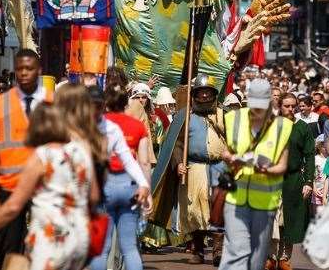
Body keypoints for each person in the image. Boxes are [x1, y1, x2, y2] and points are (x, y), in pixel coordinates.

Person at [0, 102, 97, 270]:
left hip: (51, 236)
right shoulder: (81, 152)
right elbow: (94, 195)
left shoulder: (43, 156)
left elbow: (14, 205)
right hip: (80, 235)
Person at [151, 74, 227, 265]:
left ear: (214, 94)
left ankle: (218, 250)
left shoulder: (223, 115)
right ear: (195, 95)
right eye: (200, 93)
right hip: (195, 168)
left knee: (219, 210)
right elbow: (176, 144)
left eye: (208, 93)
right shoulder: (185, 116)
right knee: (194, 211)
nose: (204, 97)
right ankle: (198, 250)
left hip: (220, 167)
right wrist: (178, 163)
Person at [0, 49, 53, 264]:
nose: (24, 73)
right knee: (10, 248)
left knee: (44, 246)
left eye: (29, 69)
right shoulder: (0, 104)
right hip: (9, 186)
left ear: (38, 71)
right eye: (20, 69)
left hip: (45, 187)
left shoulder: (52, 102)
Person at [219, 78, 292, 270]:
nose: (257, 110)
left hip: (265, 201)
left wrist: (267, 169)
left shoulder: (282, 127)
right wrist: (232, 158)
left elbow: (283, 166)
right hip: (236, 198)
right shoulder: (234, 120)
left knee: (257, 257)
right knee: (237, 250)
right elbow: (225, 151)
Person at [90, 88, 153, 270]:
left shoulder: (99, 124)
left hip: (105, 183)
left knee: (102, 247)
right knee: (129, 247)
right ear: (126, 105)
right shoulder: (137, 126)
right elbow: (144, 161)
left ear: (106, 105)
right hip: (129, 185)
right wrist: (146, 189)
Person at [269, 92, 314, 270]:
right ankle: (271, 257)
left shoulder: (302, 127)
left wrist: (308, 182)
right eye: (286, 106)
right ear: (280, 106)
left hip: (294, 179)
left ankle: (284, 258)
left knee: (289, 219)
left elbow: (309, 155)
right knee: (272, 219)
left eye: (293, 106)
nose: (290, 109)